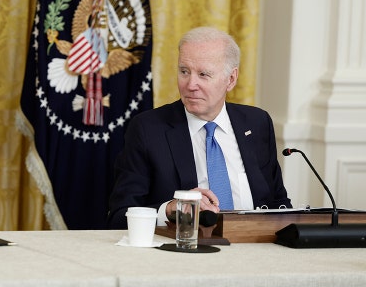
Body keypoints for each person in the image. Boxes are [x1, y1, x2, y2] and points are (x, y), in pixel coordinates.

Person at [107, 27, 291, 229]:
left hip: (254, 246)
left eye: (203, 74)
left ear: (231, 79)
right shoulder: (148, 129)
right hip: (186, 252)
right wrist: (169, 209)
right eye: (184, 71)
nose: (190, 84)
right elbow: (120, 215)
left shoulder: (257, 123)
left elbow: (278, 203)